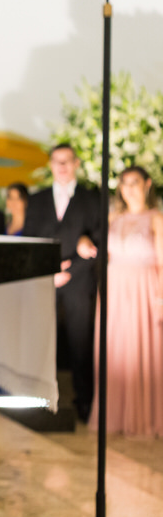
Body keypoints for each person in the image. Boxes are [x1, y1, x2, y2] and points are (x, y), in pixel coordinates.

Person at [23, 143, 101, 422]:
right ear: (51, 165)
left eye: (67, 161)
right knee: (41, 342)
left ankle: (84, 403)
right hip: (45, 282)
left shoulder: (93, 199)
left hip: (80, 283)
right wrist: (49, 271)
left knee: (81, 345)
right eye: (57, 161)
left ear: (77, 163)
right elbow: (30, 239)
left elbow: (99, 242)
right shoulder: (37, 198)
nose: (63, 166)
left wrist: (73, 269)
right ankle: (39, 400)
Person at [89, 166, 163, 436]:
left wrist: (161, 299)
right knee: (116, 350)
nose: (129, 188)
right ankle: (116, 416)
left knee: (142, 350)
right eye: (124, 183)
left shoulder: (156, 219)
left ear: (147, 184)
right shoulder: (113, 218)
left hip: (144, 289)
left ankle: (145, 418)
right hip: (115, 290)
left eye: (134, 182)